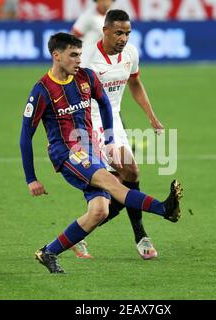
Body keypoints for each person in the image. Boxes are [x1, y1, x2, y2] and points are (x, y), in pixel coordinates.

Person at [19, 32, 183, 274]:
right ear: (57, 56)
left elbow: (105, 103)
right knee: (112, 183)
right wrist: (31, 178)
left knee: (99, 211)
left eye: (80, 55)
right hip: (66, 153)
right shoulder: (42, 90)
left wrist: (108, 140)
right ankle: (163, 209)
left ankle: (48, 252)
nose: (78, 60)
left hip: (91, 148)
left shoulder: (86, 77)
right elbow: (25, 136)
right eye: (73, 55)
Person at [77, 9, 166, 260]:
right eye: (118, 33)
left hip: (113, 121)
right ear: (104, 31)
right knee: (130, 173)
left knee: (118, 187)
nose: (123, 38)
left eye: (127, 33)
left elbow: (135, 82)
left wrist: (150, 115)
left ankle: (79, 236)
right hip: (89, 124)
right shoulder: (87, 57)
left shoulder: (131, 53)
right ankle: (141, 236)